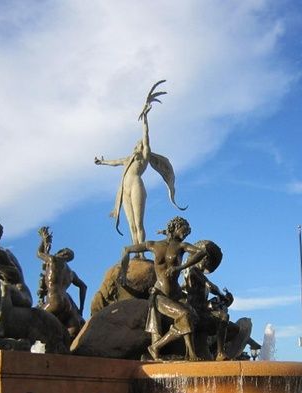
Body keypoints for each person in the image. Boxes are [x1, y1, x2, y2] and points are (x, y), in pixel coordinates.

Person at [94, 81, 181, 245]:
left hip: (136, 185)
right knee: (131, 224)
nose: (137, 145)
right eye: (137, 144)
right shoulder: (128, 160)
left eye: (139, 144)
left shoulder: (145, 155)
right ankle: (136, 251)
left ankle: (140, 250)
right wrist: (102, 161)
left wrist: (145, 118)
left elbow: (146, 136)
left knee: (139, 223)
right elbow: (114, 162)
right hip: (124, 189)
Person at [118, 216, 204, 360]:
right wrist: (123, 272)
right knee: (185, 314)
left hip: (176, 293)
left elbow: (201, 252)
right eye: (185, 230)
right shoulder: (154, 245)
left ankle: (190, 354)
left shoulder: (181, 246)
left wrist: (180, 267)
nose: (187, 234)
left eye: (188, 232)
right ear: (176, 227)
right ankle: (157, 348)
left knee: (192, 316)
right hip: (160, 294)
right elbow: (126, 250)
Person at [0, 216, 32, 342]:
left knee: (5, 288)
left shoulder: (0, 252)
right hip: (3, 290)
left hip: (20, 293)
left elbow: (15, 275)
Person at [182, 240, 231, 360]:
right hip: (195, 309)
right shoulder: (193, 271)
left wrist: (225, 299)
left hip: (203, 309)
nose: (206, 261)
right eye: (205, 258)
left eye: (207, 259)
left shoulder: (199, 273)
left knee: (224, 317)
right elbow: (210, 286)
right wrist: (221, 294)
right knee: (223, 317)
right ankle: (219, 352)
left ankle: (220, 352)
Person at [36, 226, 87, 339]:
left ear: (62, 254)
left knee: (35, 318)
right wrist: (81, 308)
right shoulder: (71, 273)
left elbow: (39, 253)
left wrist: (43, 239)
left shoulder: (53, 260)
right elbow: (83, 287)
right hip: (67, 304)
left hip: (54, 299)